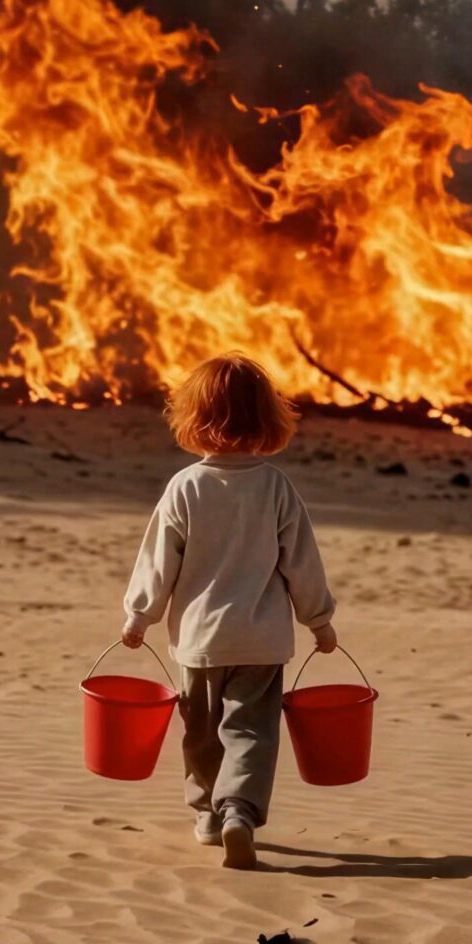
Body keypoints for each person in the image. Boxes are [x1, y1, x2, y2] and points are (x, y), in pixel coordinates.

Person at [120, 352, 338, 870]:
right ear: (268, 419)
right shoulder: (276, 487)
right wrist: (320, 620)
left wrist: (139, 616)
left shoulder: (185, 487)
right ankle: (239, 809)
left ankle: (207, 815)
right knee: (252, 732)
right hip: (261, 642)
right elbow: (301, 563)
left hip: (200, 641)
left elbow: (158, 562)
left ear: (192, 418)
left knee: (201, 730)